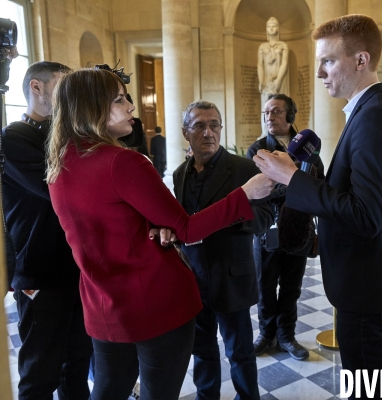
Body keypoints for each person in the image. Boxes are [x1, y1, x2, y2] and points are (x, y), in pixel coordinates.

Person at [46, 68, 274, 400]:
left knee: (108, 391)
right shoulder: (124, 162)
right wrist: (245, 195)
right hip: (154, 302)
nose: (131, 107)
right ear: (93, 107)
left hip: (104, 305)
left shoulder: (58, 164)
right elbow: (186, 227)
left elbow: (110, 222)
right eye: (120, 99)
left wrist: (153, 225)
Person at [252, 15, 382, 397]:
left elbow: (365, 215)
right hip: (370, 281)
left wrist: (291, 180)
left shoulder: (375, 117)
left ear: (361, 61)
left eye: (328, 61)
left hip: (370, 287)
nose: (318, 72)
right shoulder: (367, 111)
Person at [2, 61, 94, 400]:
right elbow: (58, 186)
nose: (69, 96)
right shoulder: (15, 136)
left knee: (77, 365)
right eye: (61, 86)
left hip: (76, 269)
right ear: (36, 88)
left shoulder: (64, 134)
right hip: (39, 272)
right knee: (40, 372)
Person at [173, 100, 272, 400]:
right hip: (193, 278)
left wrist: (223, 221)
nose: (208, 132)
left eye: (214, 125)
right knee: (202, 351)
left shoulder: (243, 168)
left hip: (231, 275)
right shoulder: (180, 174)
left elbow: (266, 219)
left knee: (240, 351)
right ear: (185, 132)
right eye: (200, 126)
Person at [246, 94, 324, 361]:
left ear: (291, 116)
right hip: (267, 231)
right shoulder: (257, 149)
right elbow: (255, 192)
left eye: (276, 111)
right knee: (264, 286)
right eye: (266, 112)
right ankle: (265, 334)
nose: (270, 117)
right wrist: (290, 183)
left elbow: (319, 188)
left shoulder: (310, 150)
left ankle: (286, 336)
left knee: (292, 287)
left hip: (298, 230)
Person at [257, 17, 289, 136]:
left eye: (274, 25)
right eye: (269, 26)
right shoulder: (262, 47)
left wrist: (278, 81)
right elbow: (260, 64)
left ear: (278, 28)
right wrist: (261, 80)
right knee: (266, 107)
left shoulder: (283, 45)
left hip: (278, 80)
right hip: (267, 81)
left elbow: (284, 63)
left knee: (279, 106)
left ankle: (281, 131)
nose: (271, 28)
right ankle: (266, 133)